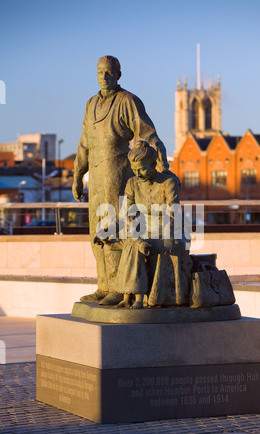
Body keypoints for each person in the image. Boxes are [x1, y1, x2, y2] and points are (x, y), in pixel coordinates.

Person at [72, 55, 169, 305]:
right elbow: (84, 143)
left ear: (118, 75)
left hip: (117, 170)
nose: (103, 77)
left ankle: (118, 286)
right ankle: (103, 285)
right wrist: (77, 175)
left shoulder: (127, 101)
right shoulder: (91, 103)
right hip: (95, 175)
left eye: (108, 73)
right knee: (96, 231)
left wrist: (160, 158)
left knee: (113, 228)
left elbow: (146, 131)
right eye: (99, 73)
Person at [124, 141, 192, 307]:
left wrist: (169, 236)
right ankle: (130, 296)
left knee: (159, 247)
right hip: (143, 231)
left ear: (153, 164)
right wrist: (134, 237)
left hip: (168, 230)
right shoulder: (132, 183)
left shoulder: (169, 182)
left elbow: (173, 212)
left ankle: (159, 298)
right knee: (131, 247)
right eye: (134, 169)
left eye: (141, 168)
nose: (137, 173)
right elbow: (128, 213)